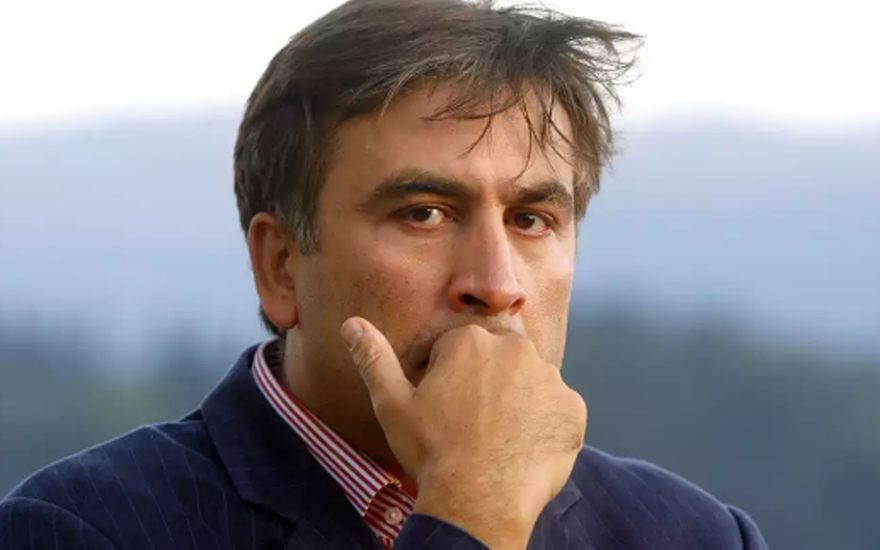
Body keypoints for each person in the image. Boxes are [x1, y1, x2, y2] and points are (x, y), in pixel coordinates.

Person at [0, 0, 768, 548]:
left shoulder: (696, 534)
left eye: (532, 219)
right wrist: (473, 514)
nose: (496, 283)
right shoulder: (82, 528)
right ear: (280, 267)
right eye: (424, 213)